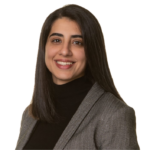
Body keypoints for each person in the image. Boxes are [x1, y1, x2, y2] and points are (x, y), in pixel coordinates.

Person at [14, 3, 141, 150]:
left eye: (77, 42)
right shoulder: (31, 114)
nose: (65, 51)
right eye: (56, 40)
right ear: (44, 47)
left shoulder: (114, 115)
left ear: (91, 51)